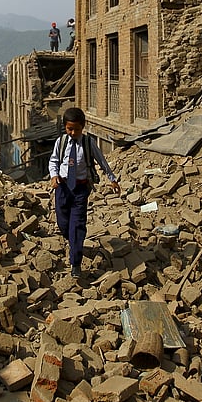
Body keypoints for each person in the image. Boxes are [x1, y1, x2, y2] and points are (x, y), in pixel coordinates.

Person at [48, 107, 119, 280]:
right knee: (63, 222)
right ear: (65, 127)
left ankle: (76, 263)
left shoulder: (88, 143)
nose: (73, 133)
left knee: (78, 224)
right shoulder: (61, 142)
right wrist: (54, 175)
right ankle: (72, 240)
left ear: (83, 127)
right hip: (63, 188)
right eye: (69, 129)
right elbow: (54, 160)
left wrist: (112, 179)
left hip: (80, 189)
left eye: (76, 129)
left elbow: (101, 161)